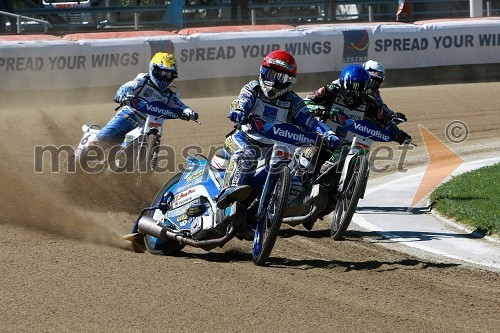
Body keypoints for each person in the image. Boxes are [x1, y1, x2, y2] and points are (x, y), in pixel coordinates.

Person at [216, 50, 340, 211]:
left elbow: (310, 121)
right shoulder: (253, 88)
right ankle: (228, 192)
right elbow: (243, 101)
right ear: (263, 72)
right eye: (272, 74)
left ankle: (269, 209)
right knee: (248, 154)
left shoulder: (293, 101)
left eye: (282, 78)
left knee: (292, 170)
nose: (275, 82)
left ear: (289, 81)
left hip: (272, 149)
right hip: (242, 139)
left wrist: (328, 133)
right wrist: (239, 111)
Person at [96, 52, 198, 147]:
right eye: (162, 73)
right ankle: (86, 150)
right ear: (153, 70)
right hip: (129, 115)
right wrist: (122, 93)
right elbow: (129, 86)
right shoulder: (143, 80)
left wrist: (189, 112)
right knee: (102, 138)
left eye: (168, 75)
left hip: (152, 123)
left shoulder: (170, 94)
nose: (165, 78)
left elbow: (180, 105)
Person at [304, 63, 411, 145]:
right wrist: (319, 110)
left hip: (349, 144)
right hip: (321, 135)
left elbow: (386, 122)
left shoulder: (371, 102)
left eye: (358, 93)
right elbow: (305, 102)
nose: (353, 97)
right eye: (350, 92)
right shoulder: (331, 90)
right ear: (342, 85)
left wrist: (399, 134)